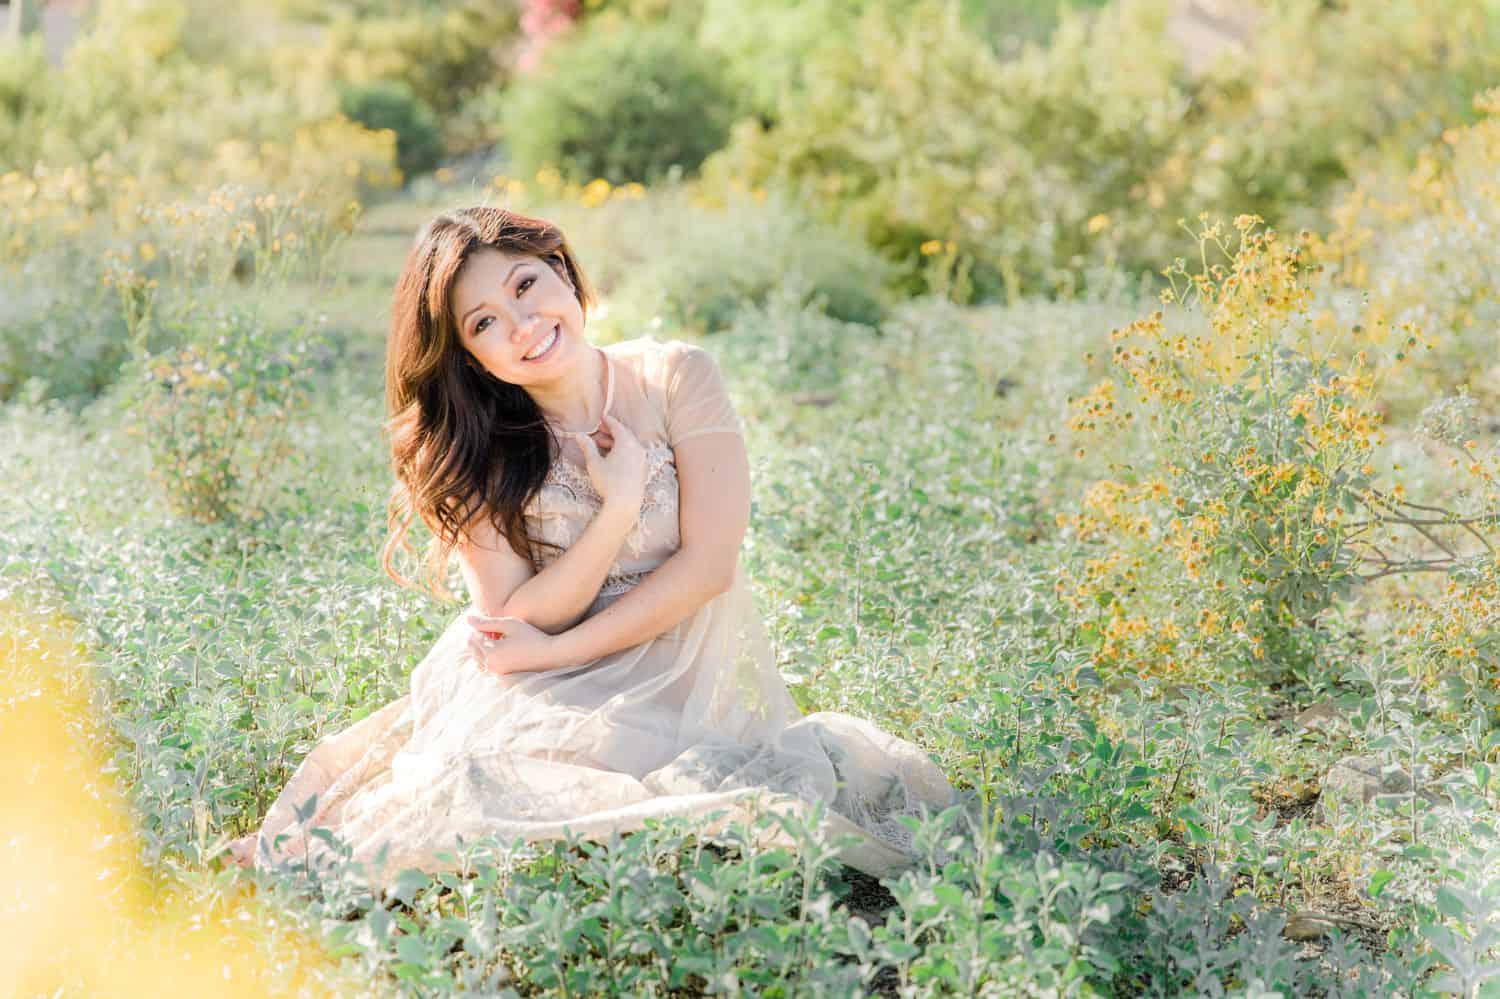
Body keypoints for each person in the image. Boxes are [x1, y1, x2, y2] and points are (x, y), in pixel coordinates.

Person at [229, 206, 958, 882]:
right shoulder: (475, 449)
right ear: (470, 355)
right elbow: (521, 617)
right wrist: (617, 510)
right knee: (484, 789)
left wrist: (552, 647)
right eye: (484, 322)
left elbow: (709, 567)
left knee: (667, 790)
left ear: (562, 269)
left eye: (526, 285)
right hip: (539, 674)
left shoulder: (677, 378)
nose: (522, 324)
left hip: (679, 665)